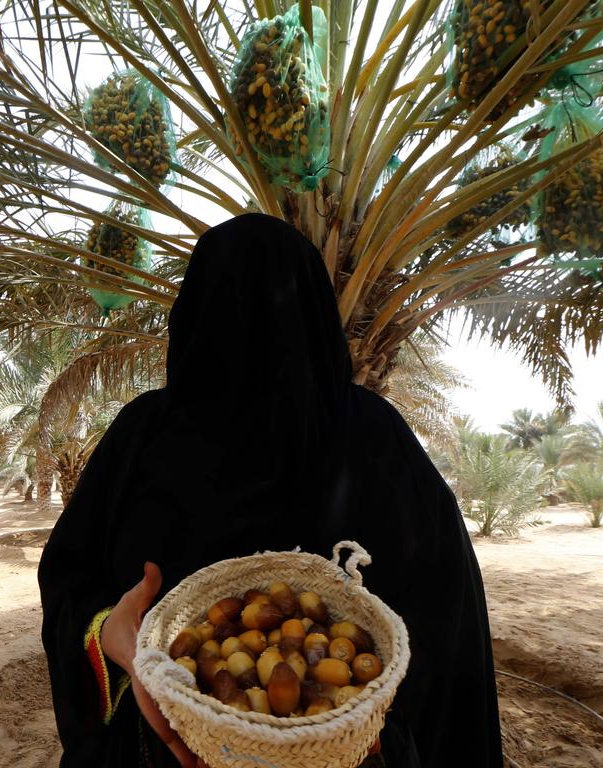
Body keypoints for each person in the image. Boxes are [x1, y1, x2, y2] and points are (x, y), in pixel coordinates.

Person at [38, 212, 503, 767]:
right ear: (316, 314)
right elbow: (447, 618)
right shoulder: (374, 437)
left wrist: (366, 710)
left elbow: (69, 582)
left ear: (193, 312)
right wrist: (111, 634)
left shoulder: (146, 436)